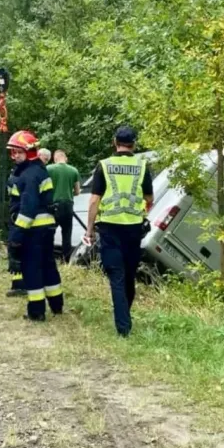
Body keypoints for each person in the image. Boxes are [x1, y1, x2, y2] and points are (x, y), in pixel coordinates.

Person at [83, 126, 153, 337]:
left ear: (115, 142)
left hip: (110, 228)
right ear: (134, 144)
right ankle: (125, 317)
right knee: (129, 274)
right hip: (133, 228)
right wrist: (141, 213)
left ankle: (123, 326)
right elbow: (149, 199)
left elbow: (94, 199)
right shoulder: (142, 167)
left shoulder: (104, 166)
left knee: (116, 275)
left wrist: (89, 230)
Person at [6, 130, 63, 321]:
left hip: (33, 231)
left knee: (32, 270)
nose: (14, 156)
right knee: (48, 266)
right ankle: (57, 305)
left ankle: (36, 311)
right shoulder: (39, 169)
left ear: (29, 152)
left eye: (18, 152)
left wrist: (16, 237)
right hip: (46, 229)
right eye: (12, 152)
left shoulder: (29, 175)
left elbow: (27, 209)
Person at [47, 149, 81, 263]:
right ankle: (66, 260)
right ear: (65, 158)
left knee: (49, 233)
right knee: (67, 234)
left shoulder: (49, 169)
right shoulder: (74, 170)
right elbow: (77, 192)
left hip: (53, 206)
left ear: (55, 159)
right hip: (68, 206)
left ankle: (48, 258)